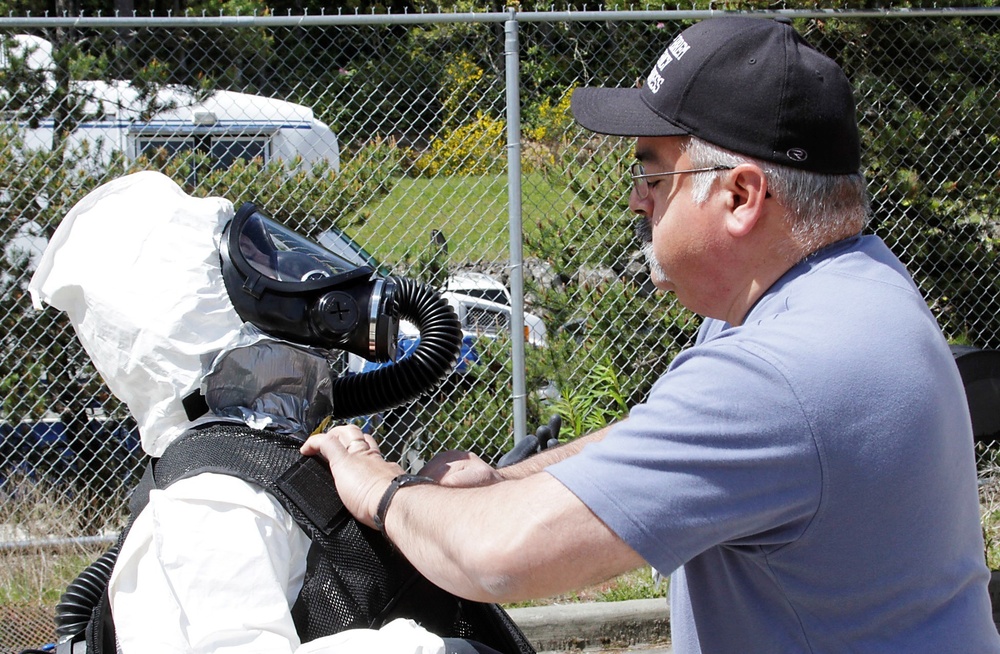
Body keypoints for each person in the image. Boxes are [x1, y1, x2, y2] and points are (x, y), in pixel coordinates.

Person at [299, 16, 1000, 653]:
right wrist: (504, 480)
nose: (636, 196)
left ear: (740, 196)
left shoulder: (783, 373)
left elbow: (498, 557)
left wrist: (381, 491)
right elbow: (657, 434)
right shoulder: (840, 286)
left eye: (653, 171)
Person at [28, 171, 532, 654]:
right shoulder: (214, 501)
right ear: (201, 317)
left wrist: (413, 507)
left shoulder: (260, 463)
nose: (293, 275)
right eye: (257, 262)